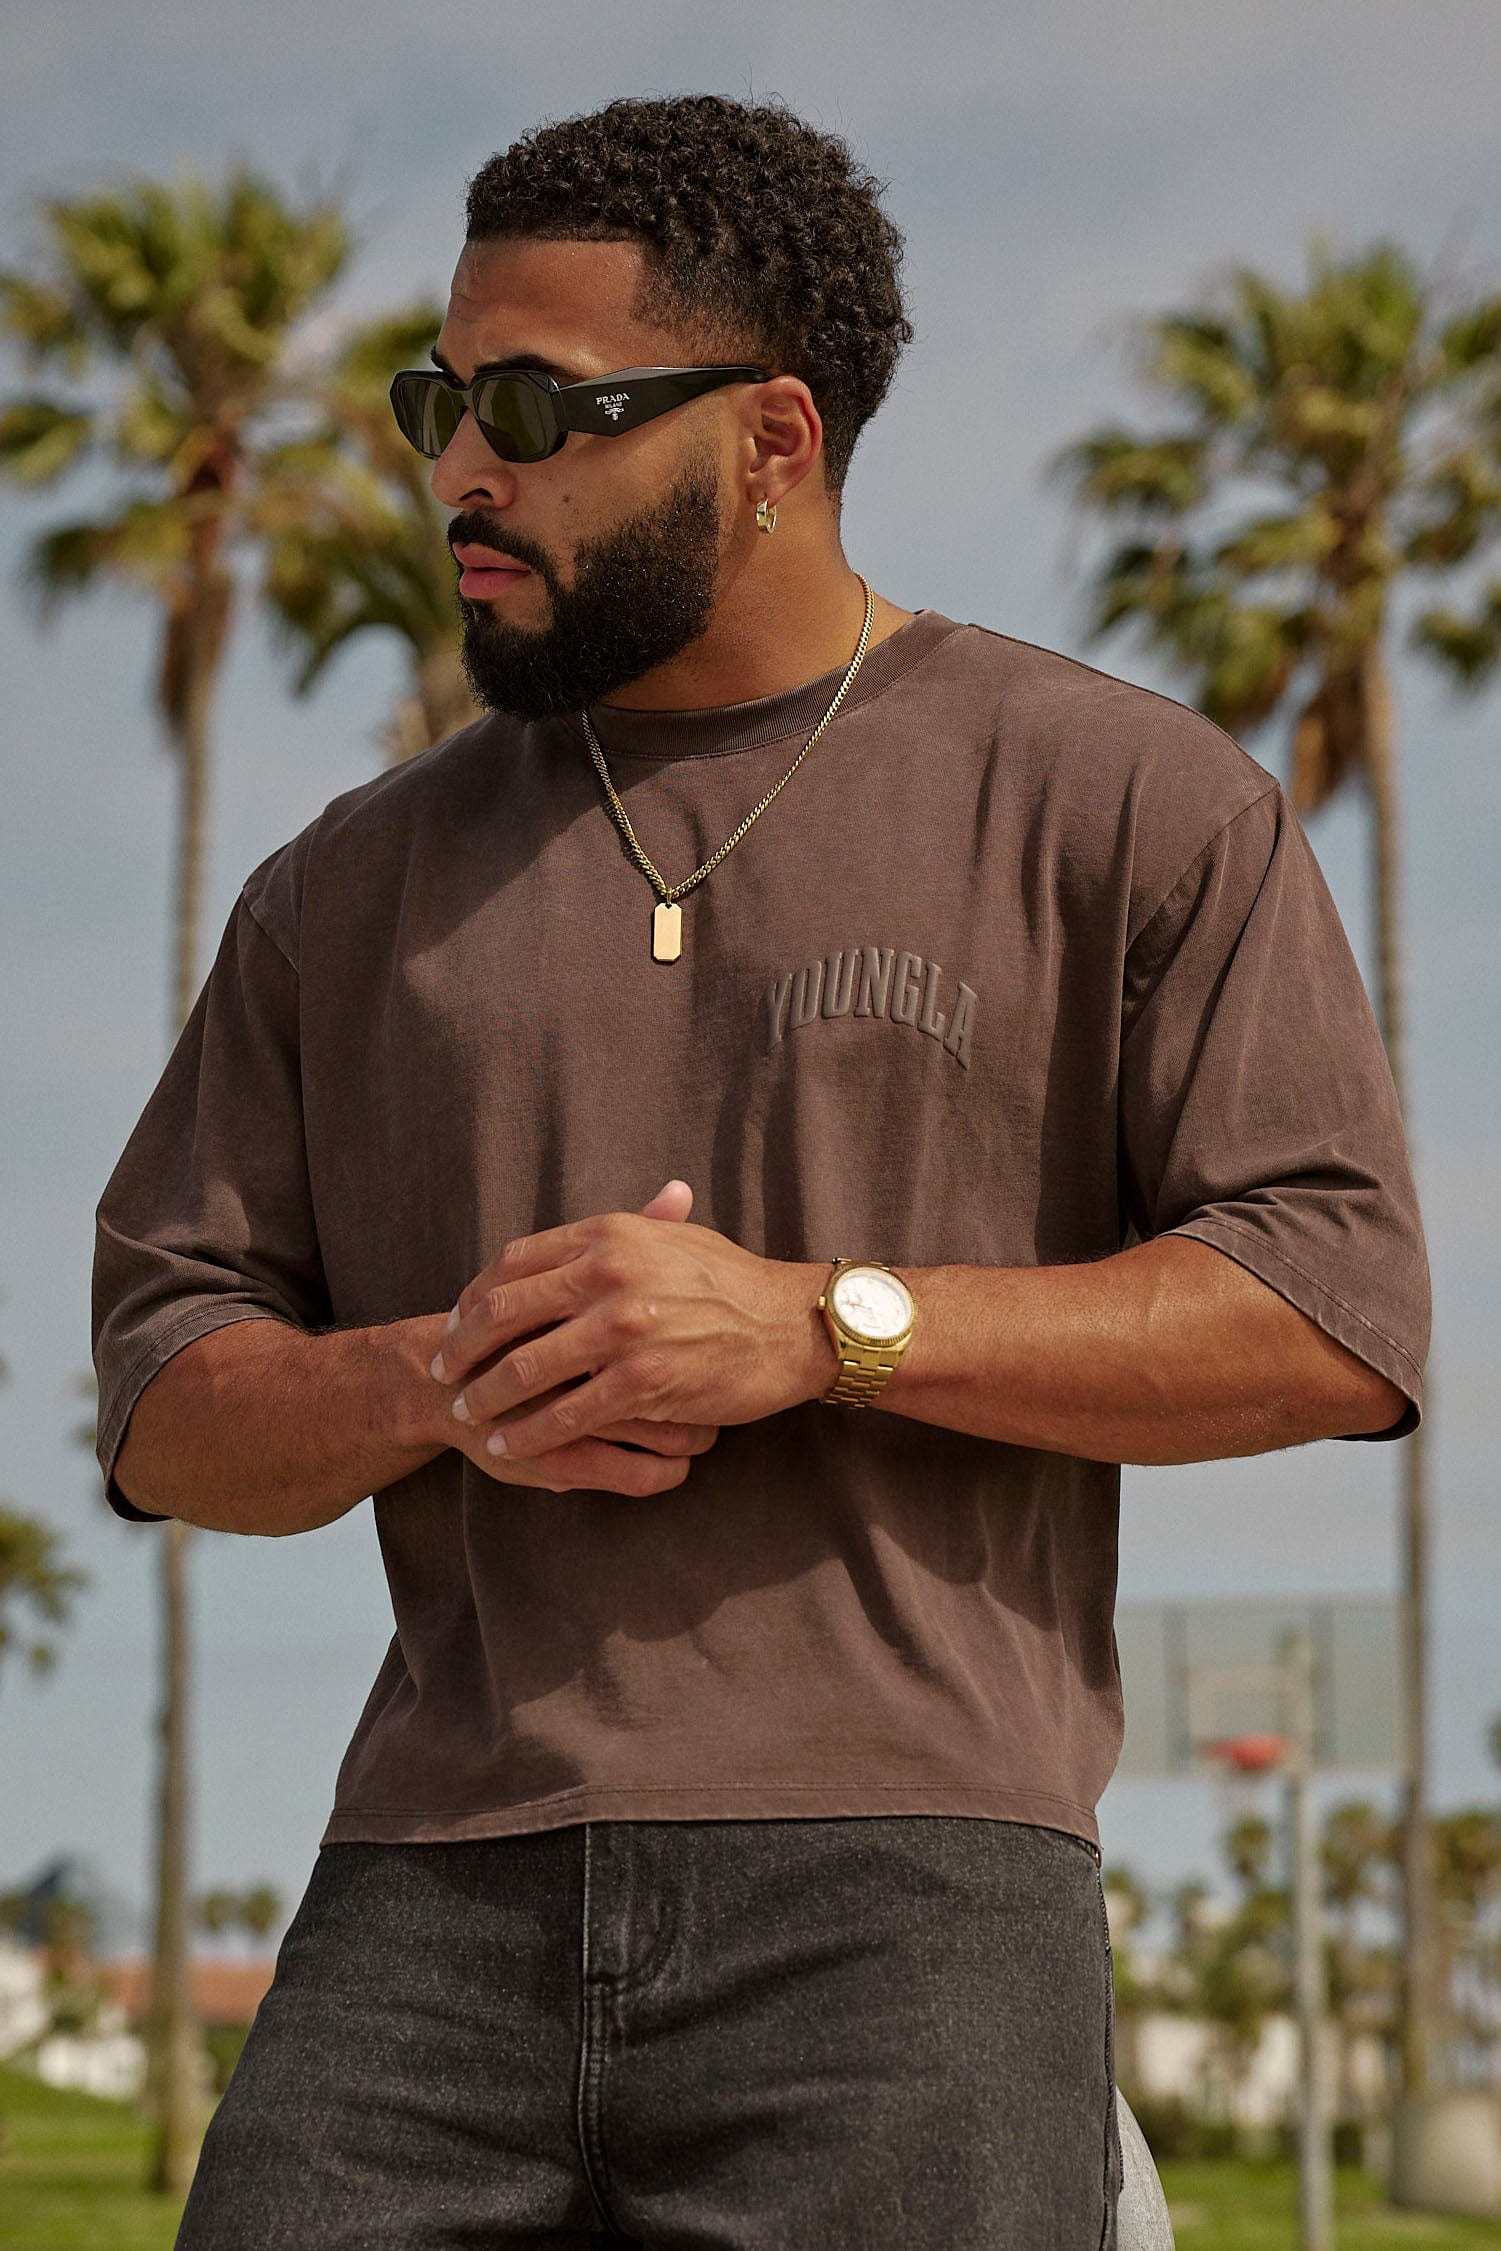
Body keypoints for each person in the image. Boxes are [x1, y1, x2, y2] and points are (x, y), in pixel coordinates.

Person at [92, 92, 1428, 2251]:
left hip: (912, 1890)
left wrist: (823, 1327)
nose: (459, 470)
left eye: (536, 408)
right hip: (424, 1889)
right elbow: (165, 1405)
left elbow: (1326, 1315)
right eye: (441, 400)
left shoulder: (1120, 800)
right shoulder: (340, 893)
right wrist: (448, 1377)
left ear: (772, 440)